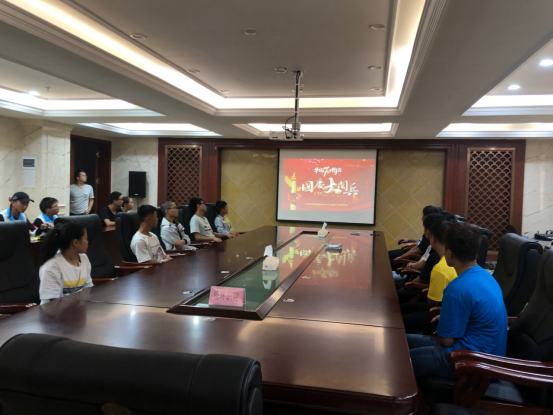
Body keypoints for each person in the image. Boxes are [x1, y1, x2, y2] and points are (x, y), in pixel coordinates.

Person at [407, 222, 508, 381]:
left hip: (469, 361)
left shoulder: (457, 288)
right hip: (486, 356)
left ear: (449, 253)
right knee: (402, 342)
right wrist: (448, 320)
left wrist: (445, 325)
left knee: (400, 361)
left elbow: (446, 341)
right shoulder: (487, 276)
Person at [402, 216, 457, 334]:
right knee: (402, 309)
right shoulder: (456, 261)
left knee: (401, 320)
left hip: (441, 314)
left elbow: (432, 302)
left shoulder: (441, 267)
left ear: (433, 238)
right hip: (449, 310)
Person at [39, 222, 93, 304]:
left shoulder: (83, 258)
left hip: (77, 308)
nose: (87, 242)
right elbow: (52, 304)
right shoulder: (52, 266)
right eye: (86, 238)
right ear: (75, 242)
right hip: (54, 311)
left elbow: (88, 289)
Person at [391, 206, 443, 270]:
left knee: (389, 261)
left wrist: (401, 257)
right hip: (415, 258)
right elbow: (421, 242)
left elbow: (418, 249)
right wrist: (411, 240)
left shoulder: (431, 235)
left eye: (423, 215)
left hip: (414, 258)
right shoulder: (431, 234)